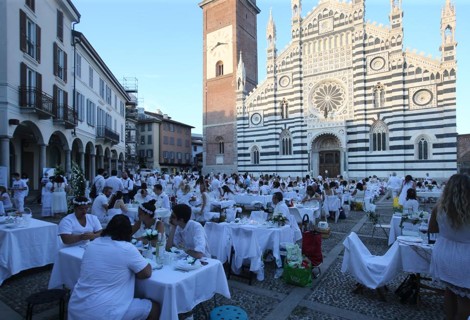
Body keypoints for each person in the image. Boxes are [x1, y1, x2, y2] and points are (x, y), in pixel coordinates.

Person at [67, 214, 160, 320]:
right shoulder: (126, 248)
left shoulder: (93, 244)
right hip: (103, 312)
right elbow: (146, 273)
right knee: (154, 307)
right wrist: (141, 259)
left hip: (77, 305)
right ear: (127, 232)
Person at [429, 174, 470, 320]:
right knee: (465, 301)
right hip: (465, 258)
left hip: (444, 254)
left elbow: (432, 229)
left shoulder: (439, 207)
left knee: (450, 290)